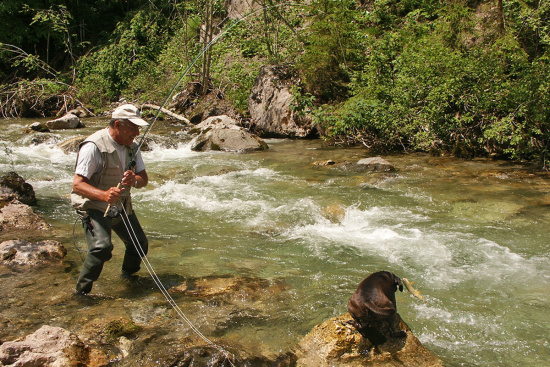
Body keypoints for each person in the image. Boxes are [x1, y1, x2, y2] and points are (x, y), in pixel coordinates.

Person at [71, 104, 150, 295]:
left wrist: (134, 181)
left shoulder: (132, 147)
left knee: (139, 243)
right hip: (93, 205)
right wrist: (104, 195)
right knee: (101, 248)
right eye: (133, 127)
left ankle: (128, 279)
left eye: (138, 128)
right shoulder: (93, 147)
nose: (137, 132)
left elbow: (143, 179)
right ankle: (81, 292)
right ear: (117, 125)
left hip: (121, 205)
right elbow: (77, 185)